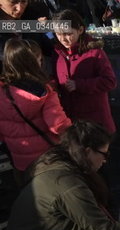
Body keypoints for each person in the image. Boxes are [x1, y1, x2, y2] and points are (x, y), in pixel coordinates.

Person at [0, 38, 71, 185]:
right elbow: (58, 125)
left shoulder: (2, 89)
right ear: (33, 62)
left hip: (19, 159)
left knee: (29, 198)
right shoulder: (44, 91)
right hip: (46, 159)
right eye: (39, 59)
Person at [52, 8, 117, 134]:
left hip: (94, 121)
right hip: (70, 120)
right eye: (58, 34)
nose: (63, 39)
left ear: (80, 30)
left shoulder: (94, 52)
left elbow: (110, 81)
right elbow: (56, 76)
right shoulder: (57, 53)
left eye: (68, 34)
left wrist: (79, 84)